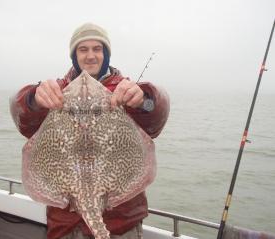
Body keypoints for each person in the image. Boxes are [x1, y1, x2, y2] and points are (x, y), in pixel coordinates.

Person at [10, 23, 170, 239]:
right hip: (66, 225)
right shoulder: (56, 92)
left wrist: (145, 99)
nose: (91, 55)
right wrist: (33, 99)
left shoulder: (126, 91)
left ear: (106, 54)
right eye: (83, 49)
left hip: (120, 223)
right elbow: (23, 119)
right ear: (74, 55)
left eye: (97, 48)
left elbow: (155, 119)